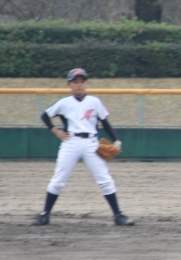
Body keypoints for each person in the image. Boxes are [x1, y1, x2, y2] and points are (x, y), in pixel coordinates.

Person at [32, 68, 134, 226]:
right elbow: (45, 116)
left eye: (82, 81)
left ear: (86, 83)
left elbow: (105, 122)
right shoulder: (64, 103)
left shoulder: (94, 102)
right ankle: (45, 214)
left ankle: (118, 215)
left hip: (91, 143)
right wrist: (56, 131)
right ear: (69, 84)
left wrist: (116, 139)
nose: (79, 85)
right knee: (59, 179)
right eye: (75, 82)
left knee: (105, 179)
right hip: (71, 142)